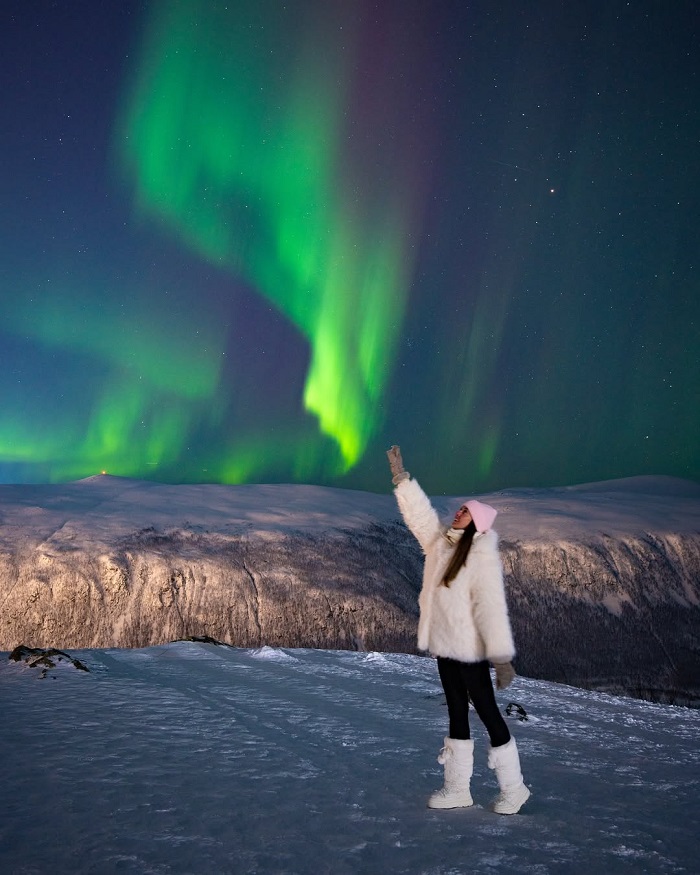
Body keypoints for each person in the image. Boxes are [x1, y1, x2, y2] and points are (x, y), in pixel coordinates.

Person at [387, 445, 530, 815]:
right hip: (445, 646)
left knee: (487, 711)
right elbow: (420, 518)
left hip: (471, 649)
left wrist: (500, 657)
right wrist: (402, 479)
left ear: (477, 523)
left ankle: (514, 789)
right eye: (460, 507)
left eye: (466, 510)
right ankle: (457, 788)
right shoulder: (440, 544)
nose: (458, 511)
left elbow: (491, 606)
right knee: (455, 711)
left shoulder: (481, 556)